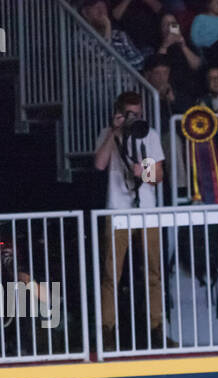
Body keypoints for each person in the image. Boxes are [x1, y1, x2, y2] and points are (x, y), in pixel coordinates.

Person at [92, 91, 167, 346]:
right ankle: (107, 332)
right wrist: (114, 132)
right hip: (117, 210)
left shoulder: (151, 134)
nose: (135, 118)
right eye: (130, 114)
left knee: (154, 272)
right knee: (111, 274)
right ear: (120, 112)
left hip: (147, 210)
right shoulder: (109, 133)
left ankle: (156, 329)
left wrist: (142, 171)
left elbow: (158, 175)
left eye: (138, 113)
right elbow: (99, 165)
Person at [80, 0, 146, 70]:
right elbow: (102, 58)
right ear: (86, 13)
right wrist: (107, 28)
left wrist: (117, 66)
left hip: (122, 80)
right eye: (96, 8)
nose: (101, 11)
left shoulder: (120, 35)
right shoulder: (83, 37)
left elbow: (139, 62)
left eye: (104, 7)